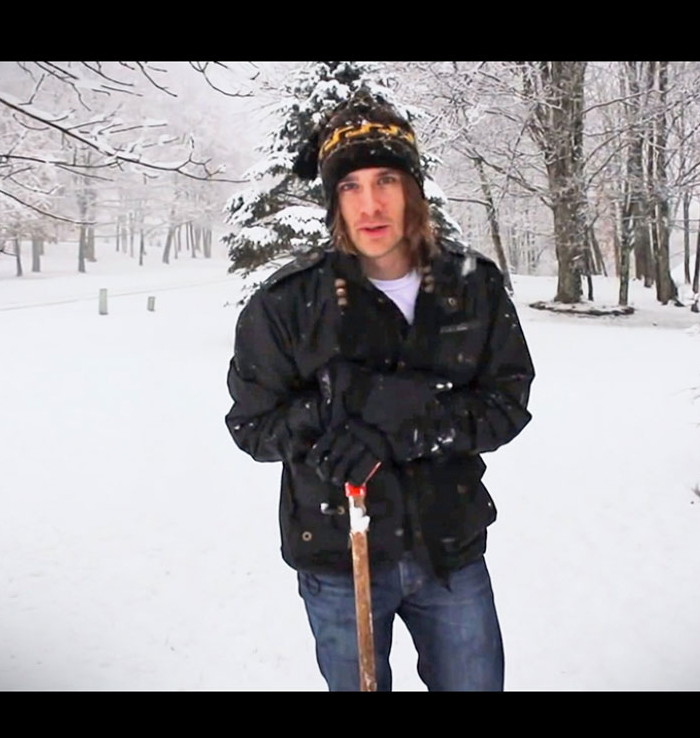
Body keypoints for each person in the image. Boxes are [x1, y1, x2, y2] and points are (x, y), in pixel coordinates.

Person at [224, 90, 535, 691]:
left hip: (448, 549)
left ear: (413, 189)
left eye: (386, 179)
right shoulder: (287, 304)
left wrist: (406, 422)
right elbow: (252, 426)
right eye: (350, 185)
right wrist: (335, 415)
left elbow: (506, 403)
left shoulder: (471, 287)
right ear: (334, 201)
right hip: (339, 557)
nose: (371, 203)